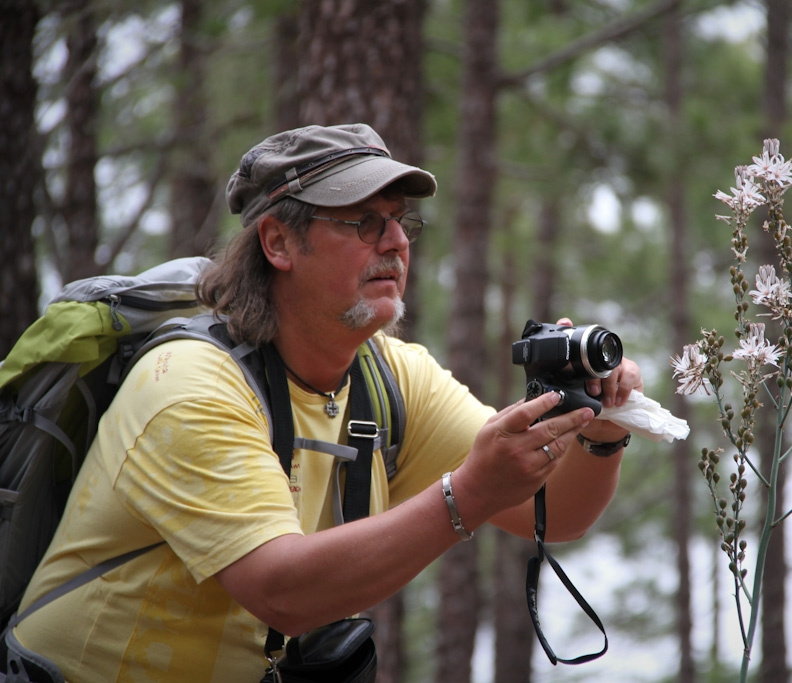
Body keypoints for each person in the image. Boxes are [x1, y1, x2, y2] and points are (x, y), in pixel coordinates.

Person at [10, 123, 642, 681]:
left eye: (401, 222)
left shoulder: (390, 375)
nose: (395, 243)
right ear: (278, 243)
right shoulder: (187, 384)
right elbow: (281, 592)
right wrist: (469, 493)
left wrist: (600, 428)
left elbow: (556, 513)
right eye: (364, 222)